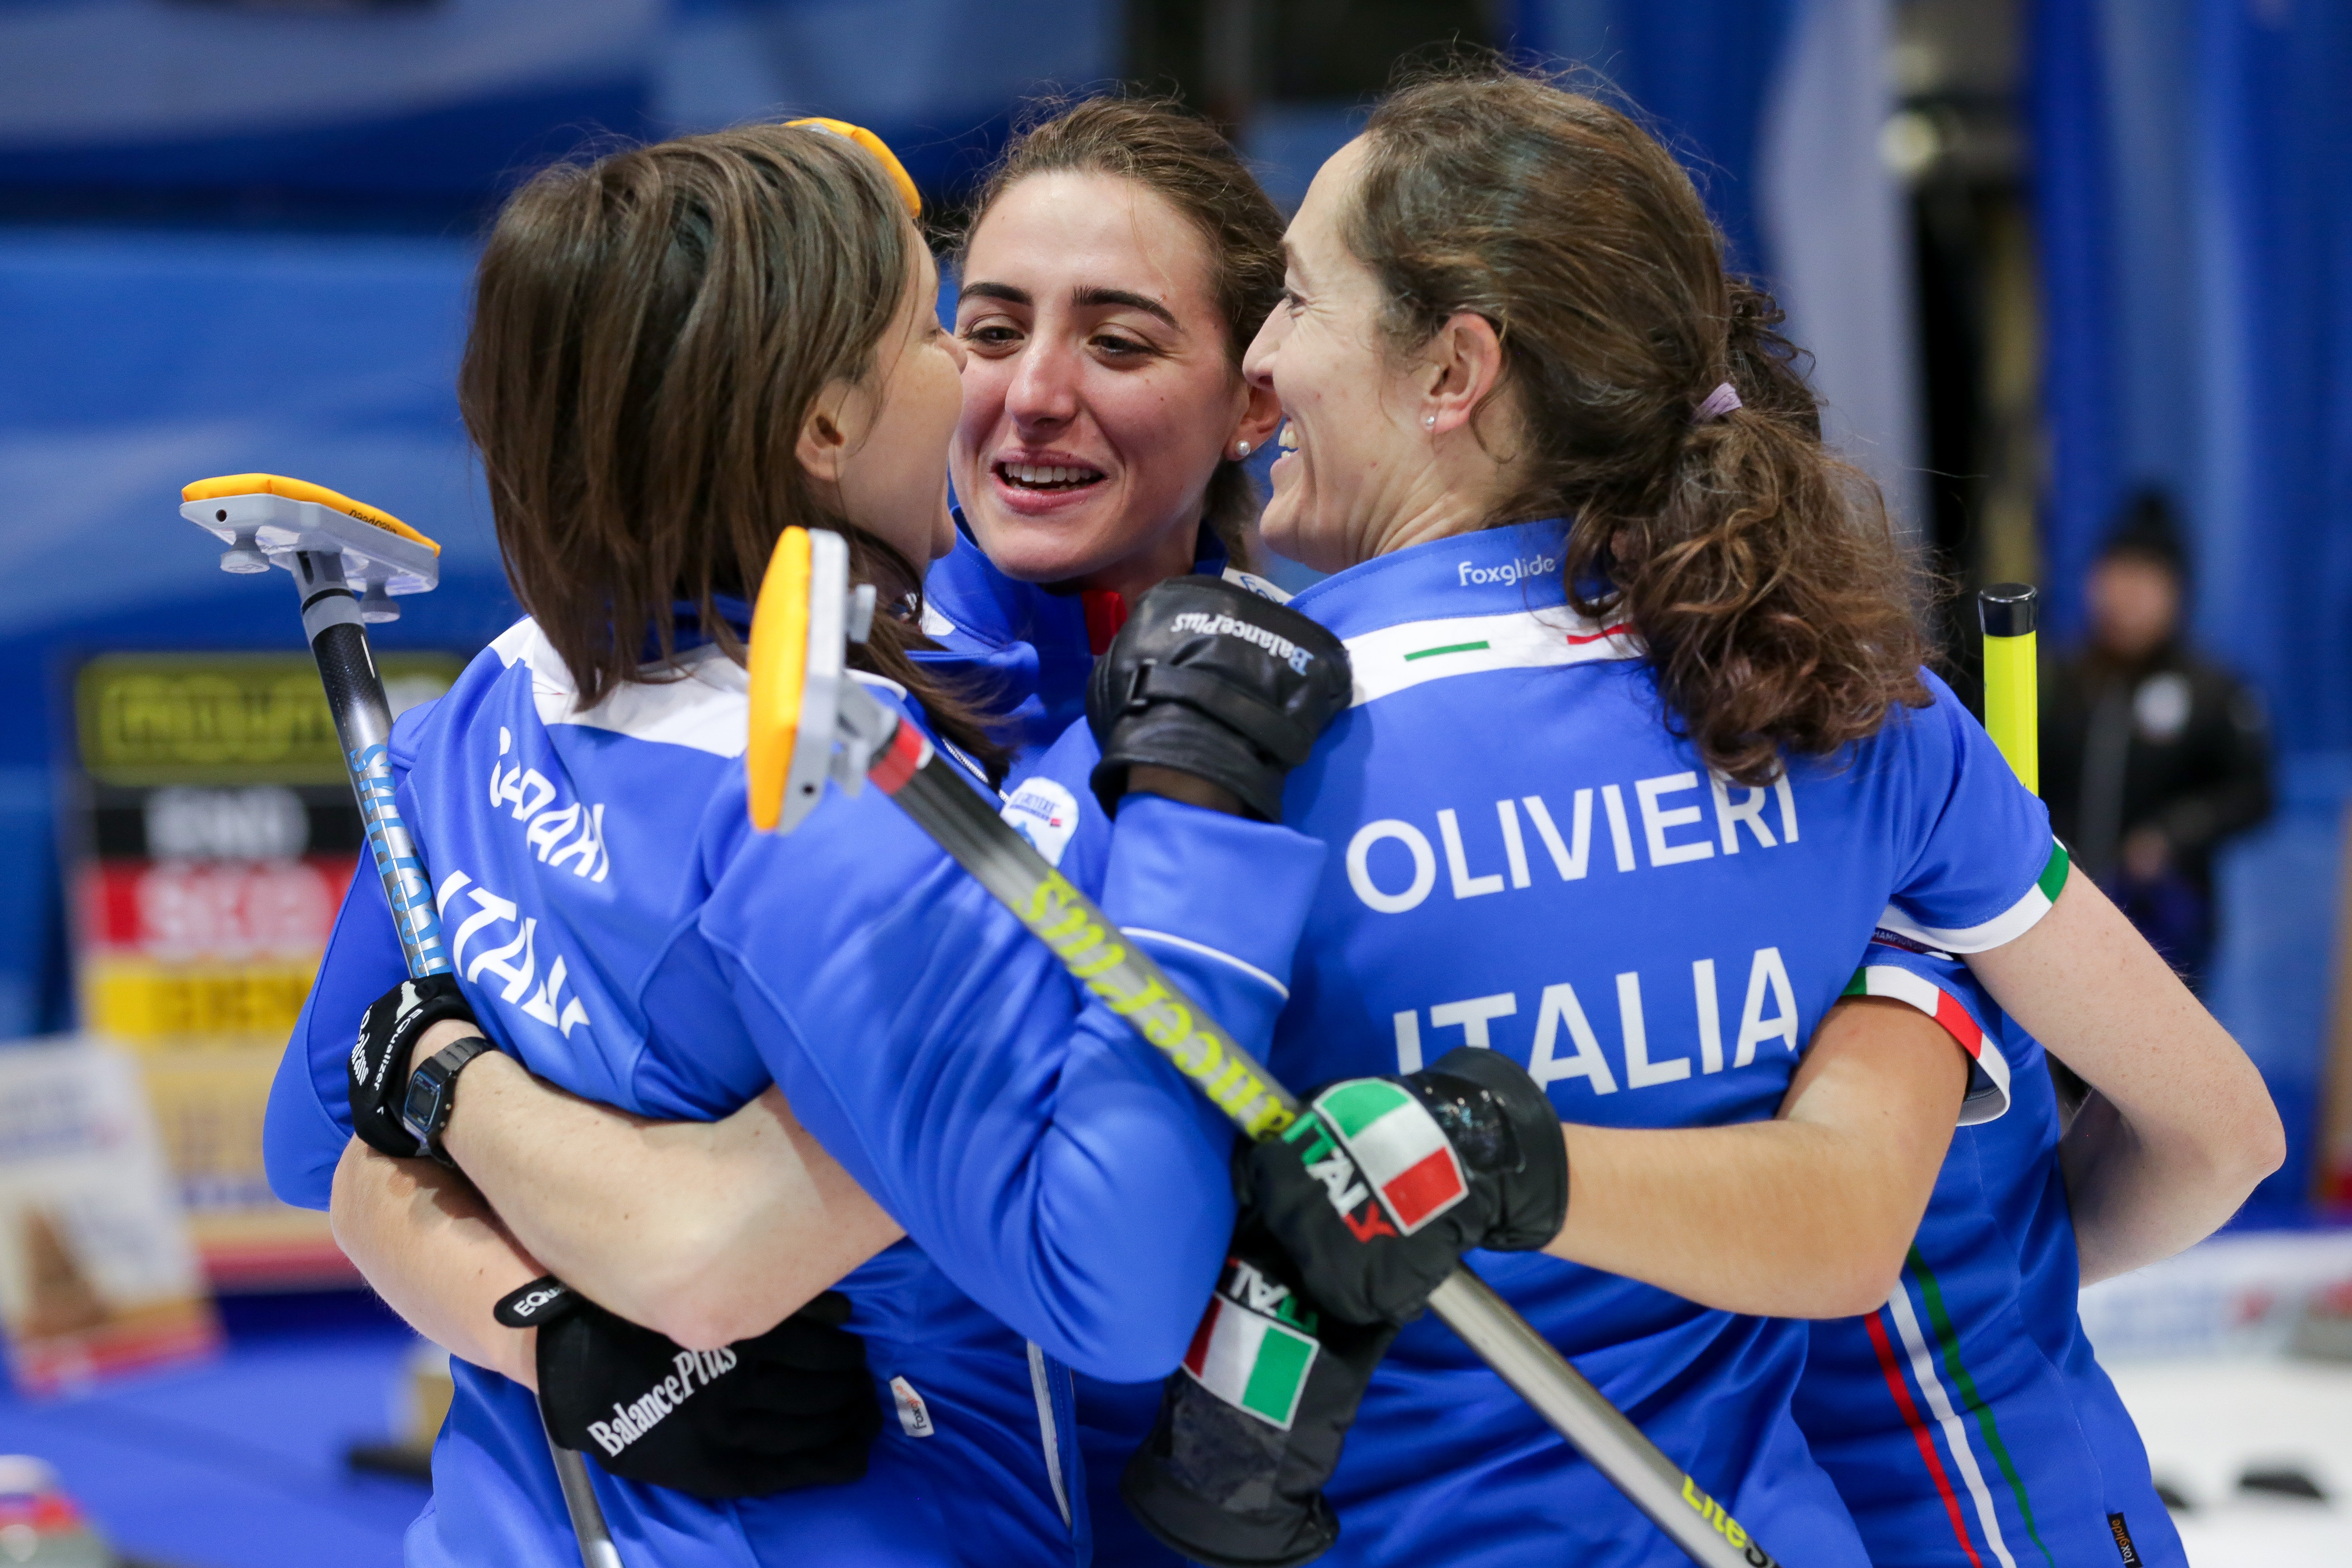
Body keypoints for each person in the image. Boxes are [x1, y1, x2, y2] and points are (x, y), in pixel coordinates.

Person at [1029, 66, 2281, 1568]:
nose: (1255, 363)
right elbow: (2217, 1131)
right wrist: (2008, 1290)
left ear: (1454, 372)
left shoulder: (1208, 757)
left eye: (1293, 300)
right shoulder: (1835, 693)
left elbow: (1063, 1250)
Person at [262, 120, 1351, 1567]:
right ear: (822, 420)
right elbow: (343, 1150)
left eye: (1122, 342)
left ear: (1250, 396)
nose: (1014, 390)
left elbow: (578, 1184)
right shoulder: (824, 746)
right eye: (966, 325)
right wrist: (556, 1333)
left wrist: (452, 1086)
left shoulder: (1322, 712)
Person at [1793, 930, 2198, 1568]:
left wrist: (2036, 1258)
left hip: (1981, 1497)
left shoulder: (1911, 925)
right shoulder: (1944, 901)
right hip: (1969, 1481)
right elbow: (2220, 1139)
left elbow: (2226, 1135)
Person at [923, 94, 1289, 775]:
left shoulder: (1336, 697)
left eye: (1117, 343)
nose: (1034, 396)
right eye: (995, 333)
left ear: (1252, 404)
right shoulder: (828, 693)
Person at [2041, 491, 2271, 986]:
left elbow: (2253, 794)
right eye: (2117, 573)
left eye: (2147, 579)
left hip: (2162, 928)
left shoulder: (2213, 692)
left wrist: (2174, 833)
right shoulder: (2056, 683)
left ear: (2177, 591)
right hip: (2052, 925)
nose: (2126, 596)